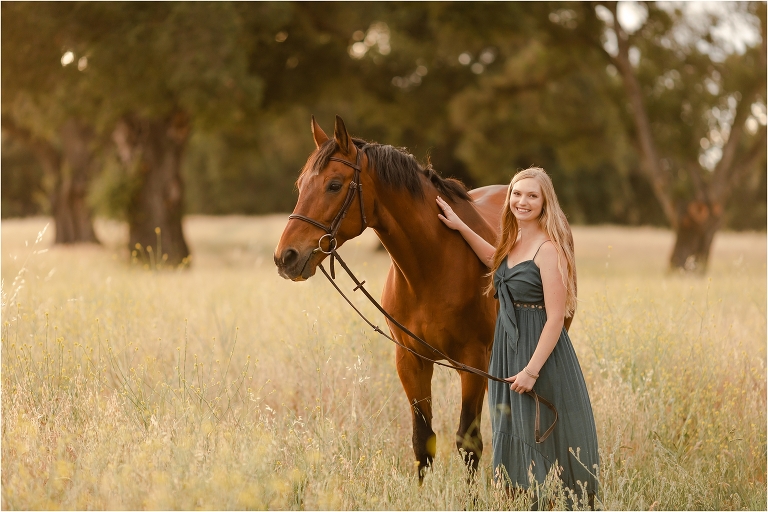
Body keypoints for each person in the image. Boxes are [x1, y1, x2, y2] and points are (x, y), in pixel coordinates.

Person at [436, 167, 598, 508]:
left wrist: (532, 370)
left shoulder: (548, 249)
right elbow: (493, 260)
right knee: (512, 428)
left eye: (532, 196)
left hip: (538, 351)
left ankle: (555, 501)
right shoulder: (513, 241)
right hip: (508, 348)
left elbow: (556, 318)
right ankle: (518, 501)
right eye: (517, 194)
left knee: (540, 431)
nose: (522, 202)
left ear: (544, 202)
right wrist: (459, 224)